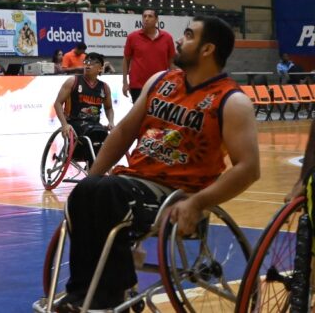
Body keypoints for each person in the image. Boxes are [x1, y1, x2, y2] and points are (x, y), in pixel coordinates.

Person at [55, 16, 259, 312]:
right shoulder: (160, 81)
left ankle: (110, 296)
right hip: (134, 181)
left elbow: (249, 168)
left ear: (207, 49)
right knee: (85, 193)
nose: (179, 40)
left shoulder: (232, 101)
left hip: (177, 192)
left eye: (189, 35)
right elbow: (123, 133)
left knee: (108, 193)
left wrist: (198, 202)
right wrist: (91, 180)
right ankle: (82, 295)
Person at [52, 53, 114, 164]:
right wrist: (64, 124)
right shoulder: (73, 81)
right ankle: (93, 166)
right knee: (92, 135)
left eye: (93, 62)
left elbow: (109, 108)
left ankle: (98, 166)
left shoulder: (104, 87)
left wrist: (111, 122)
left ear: (100, 68)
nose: (88, 64)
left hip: (94, 124)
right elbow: (58, 104)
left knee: (106, 137)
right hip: (74, 122)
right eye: (86, 62)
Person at [122, 8, 176, 103]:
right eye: (144, 16)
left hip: (160, 85)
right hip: (137, 85)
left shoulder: (167, 38)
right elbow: (126, 60)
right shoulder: (132, 37)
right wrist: (125, 82)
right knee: (139, 113)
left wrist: (173, 82)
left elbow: (171, 62)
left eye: (150, 16)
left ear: (156, 19)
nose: (146, 19)